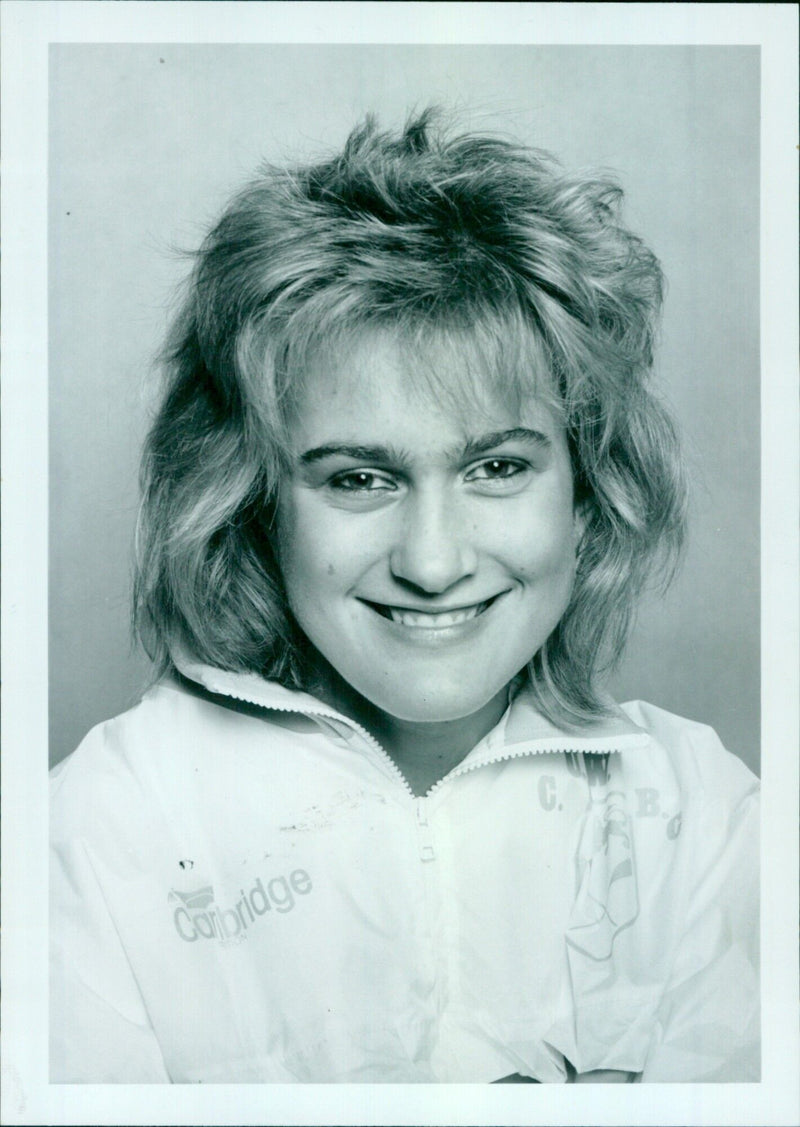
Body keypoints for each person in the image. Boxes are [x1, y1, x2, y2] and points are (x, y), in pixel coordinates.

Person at [50, 110, 759, 1083]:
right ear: (254, 497)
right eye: (357, 478)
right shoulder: (104, 825)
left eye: (497, 466)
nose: (431, 561)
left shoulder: (705, 821)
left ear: (587, 486)